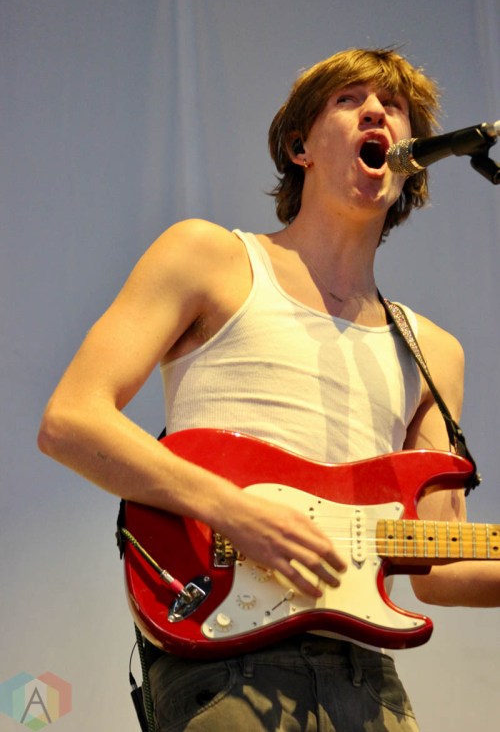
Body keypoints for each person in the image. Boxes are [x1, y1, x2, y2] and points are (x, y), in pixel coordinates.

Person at [38, 47, 500, 731]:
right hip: (227, 667)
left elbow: (441, 561)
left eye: (395, 106)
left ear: (414, 164)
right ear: (299, 146)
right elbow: (72, 420)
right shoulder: (210, 258)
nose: (377, 111)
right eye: (349, 99)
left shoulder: (432, 351)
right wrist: (235, 511)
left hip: (369, 680)